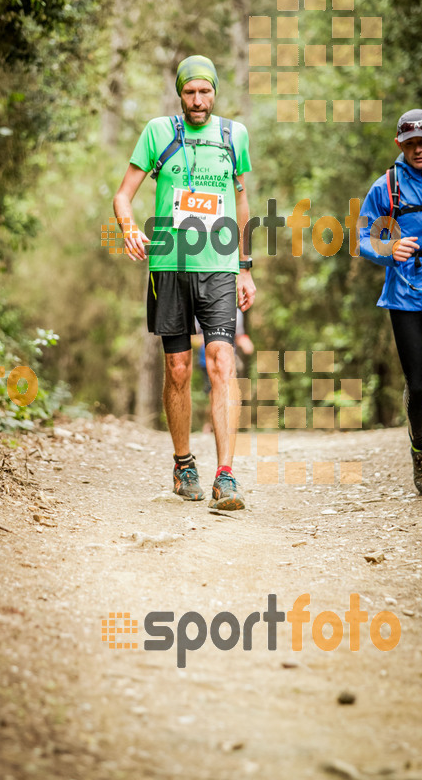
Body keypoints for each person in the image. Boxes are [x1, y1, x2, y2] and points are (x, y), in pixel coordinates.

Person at [113, 55, 256, 510]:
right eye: (191, 92)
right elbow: (123, 195)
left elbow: (242, 200)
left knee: (221, 363)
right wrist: (129, 228)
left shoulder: (234, 136)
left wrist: (247, 266)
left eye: (206, 92)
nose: (199, 100)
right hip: (169, 266)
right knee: (176, 370)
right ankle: (183, 463)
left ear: (215, 93)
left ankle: (227, 475)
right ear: (180, 94)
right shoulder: (158, 132)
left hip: (219, 266)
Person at [359, 108, 422, 495]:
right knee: (417, 382)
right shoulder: (387, 186)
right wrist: (389, 247)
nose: (418, 150)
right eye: (410, 144)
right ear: (400, 144)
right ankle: (420, 449)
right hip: (405, 293)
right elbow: (365, 235)